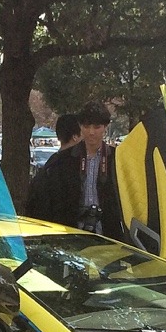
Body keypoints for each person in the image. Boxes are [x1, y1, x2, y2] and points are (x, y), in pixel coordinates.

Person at [23, 101, 126, 240]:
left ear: (105, 127)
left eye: (97, 127)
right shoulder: (64, 159)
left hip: (109, 234)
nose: (91, 132)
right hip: (72, 233)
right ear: (80, 127)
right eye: (86, 126)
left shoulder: (117, 159)